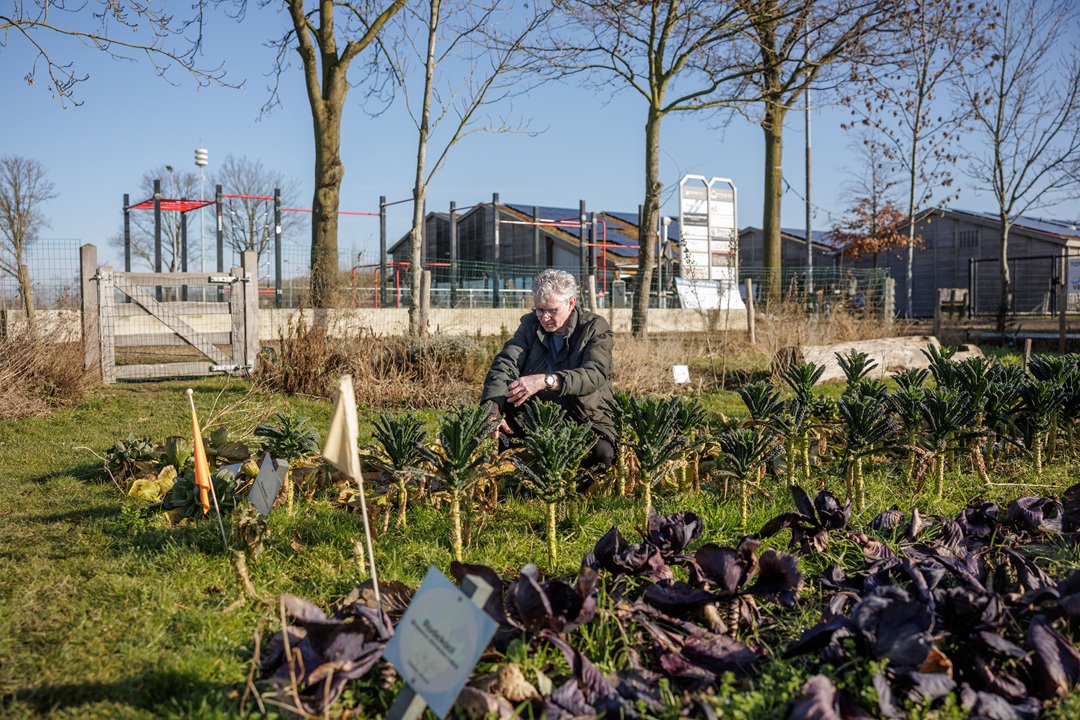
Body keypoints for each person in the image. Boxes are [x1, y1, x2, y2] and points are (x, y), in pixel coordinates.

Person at [480, 268, 616, 481]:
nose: (544, 317)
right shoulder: (530, 325)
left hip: (583, 413)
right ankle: (514, 483)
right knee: (501, 430)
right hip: (538, 413)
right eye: (539, 309)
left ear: (571, 303)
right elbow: (506, 363)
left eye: (551, 310)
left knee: (602, 455)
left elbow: (594, 374)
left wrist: (547, 381)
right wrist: (493, 406)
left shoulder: (594, 328)